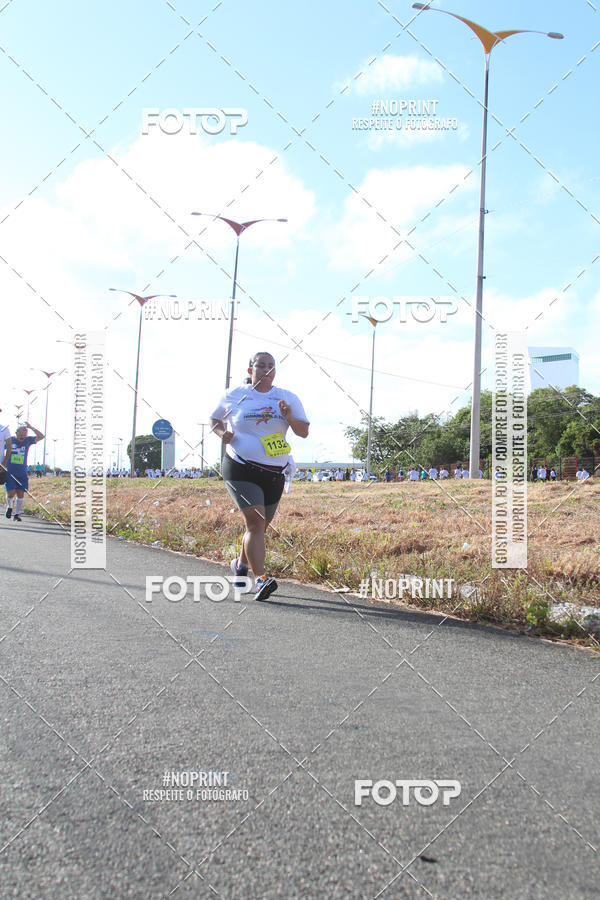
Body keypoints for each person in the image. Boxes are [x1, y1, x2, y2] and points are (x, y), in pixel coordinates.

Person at [209, 351, 309, 601]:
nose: (266, 370)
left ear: (275, 371)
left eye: (271, 366)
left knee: (260, 527)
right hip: (240, 466)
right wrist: (223, 434)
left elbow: (303, 432)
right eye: (261, 365)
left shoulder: (287, 397)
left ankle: (240, 565)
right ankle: (261, 580)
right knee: (254, 524)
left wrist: (287, 417)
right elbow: (214, 420)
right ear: (249, 369)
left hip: (275, 471)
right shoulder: (234, 395)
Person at [5, 422, 44, 521]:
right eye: (22, 431)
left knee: (20, 493)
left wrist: (31, 427)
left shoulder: (28, 440)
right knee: (11, 492)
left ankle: (17, 514)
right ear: (16, 432)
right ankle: (9, 507)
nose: (24, 433)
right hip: (10, 470)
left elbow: (41, 436)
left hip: (22, 471)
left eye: (25, 431)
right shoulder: (10, 440)